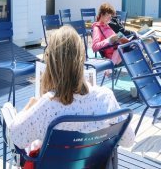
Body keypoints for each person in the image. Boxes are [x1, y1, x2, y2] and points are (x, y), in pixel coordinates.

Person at [9, 25, 135, 158]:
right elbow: (128, 140)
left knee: (8, 111)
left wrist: (30, 106)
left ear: (51, 62)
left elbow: (16, 137)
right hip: (91, 165)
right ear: (82, 58)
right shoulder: (105, 97)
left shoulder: (47, 105)